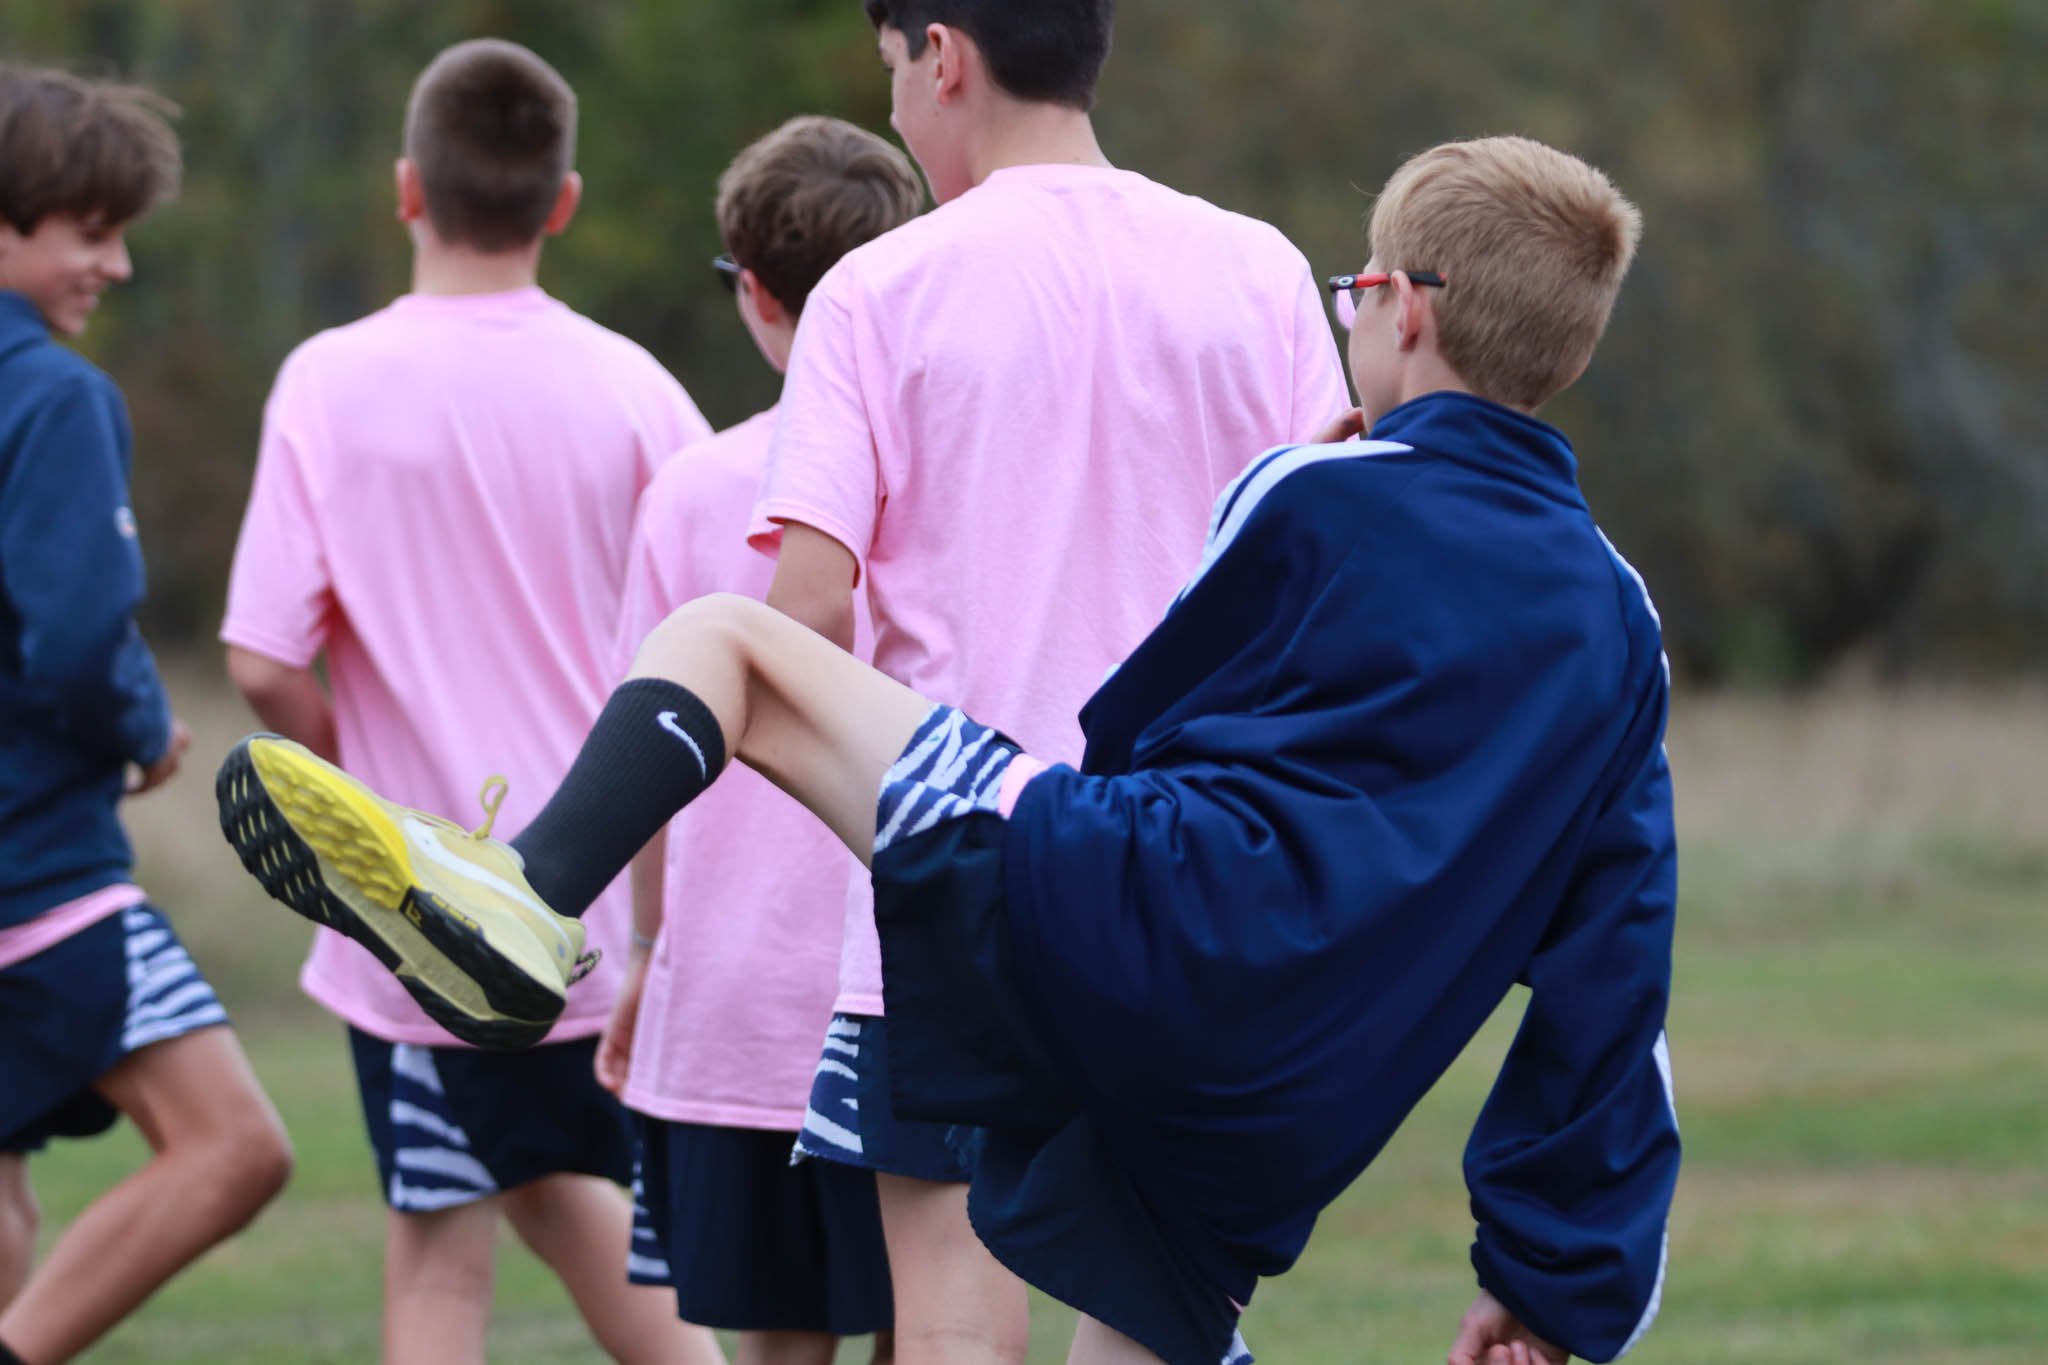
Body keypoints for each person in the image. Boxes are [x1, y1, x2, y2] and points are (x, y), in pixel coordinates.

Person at [217, 133, 1679, 1365]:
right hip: (1303, 1080)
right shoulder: (1622, 623)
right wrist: (1551, 1279)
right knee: (1143, 1322)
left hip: (1135, 905)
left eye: (1354, 288)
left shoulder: (1312, 492)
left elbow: (1137, 718)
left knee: (731, 644)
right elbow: (1616, 970)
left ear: (1404, 312)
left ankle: (529, 892)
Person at [734, 3, 1351, 1357]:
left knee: (955, 1326)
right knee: (1152, 1321)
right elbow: (1331, 586)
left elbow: (806, 615)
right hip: (1190, 882)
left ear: (943, 55)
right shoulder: (1258, 270)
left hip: (959, 878)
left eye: (891, 71)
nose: (895, 107)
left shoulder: (876, 292)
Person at [218, 39, 719, 1365]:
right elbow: (713, 649)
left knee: (453, 1253)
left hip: (420, 915)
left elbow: (263, 659)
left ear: (406, 189)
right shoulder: (637, 389)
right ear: (564, 202)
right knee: (577, 1216)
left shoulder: (328, 381)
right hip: (605, 909)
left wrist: (351, 797)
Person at [596, 115, 921, 1365]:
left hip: (736, 997)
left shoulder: (690, 493)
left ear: (754, 293)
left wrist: (644, 953)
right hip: (908, 987)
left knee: (780, 1345)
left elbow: (653, 753)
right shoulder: (942, 471)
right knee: (932, 1320)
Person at [0, 64, 292, 1365]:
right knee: (234, 1147)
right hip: (39, 869)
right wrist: (142, 724)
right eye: (89, 231)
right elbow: (74, 638)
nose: (114, 264)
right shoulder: (56, 397)